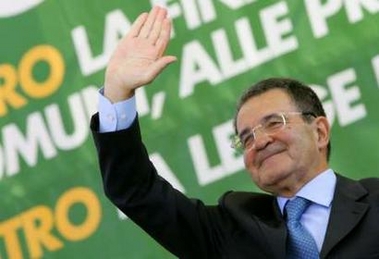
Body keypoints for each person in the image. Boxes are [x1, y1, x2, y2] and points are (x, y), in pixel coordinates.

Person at [90, 6, 379, 259]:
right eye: (246, 138)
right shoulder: (230, 228)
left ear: (319, 131)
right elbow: (135, 191)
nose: (260, 142)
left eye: (274, 122)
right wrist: (118, 91)